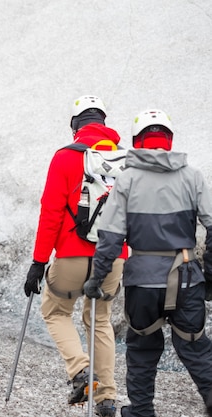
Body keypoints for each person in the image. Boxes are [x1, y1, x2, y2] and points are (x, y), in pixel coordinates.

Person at [85, 109, 212, 417]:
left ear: (136, 142)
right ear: (169, 140)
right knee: (196, 348)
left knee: (142, 350)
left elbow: (111, 237)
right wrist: (209, 275)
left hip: (142, 281)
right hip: (186, 278)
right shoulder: (192, 176)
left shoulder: (127, 180)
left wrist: (96, 279)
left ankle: (141, 412)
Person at [24, 95, 127, 416]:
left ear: (75, 126)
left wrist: (39, 262)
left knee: (55, 312)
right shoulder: (126, 160)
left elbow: (51, 212)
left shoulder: (65, 157)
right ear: (104, 123)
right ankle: (107, 398)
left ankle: (82, 370)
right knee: (99, 320)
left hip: (71, 253)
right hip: (113, 257)